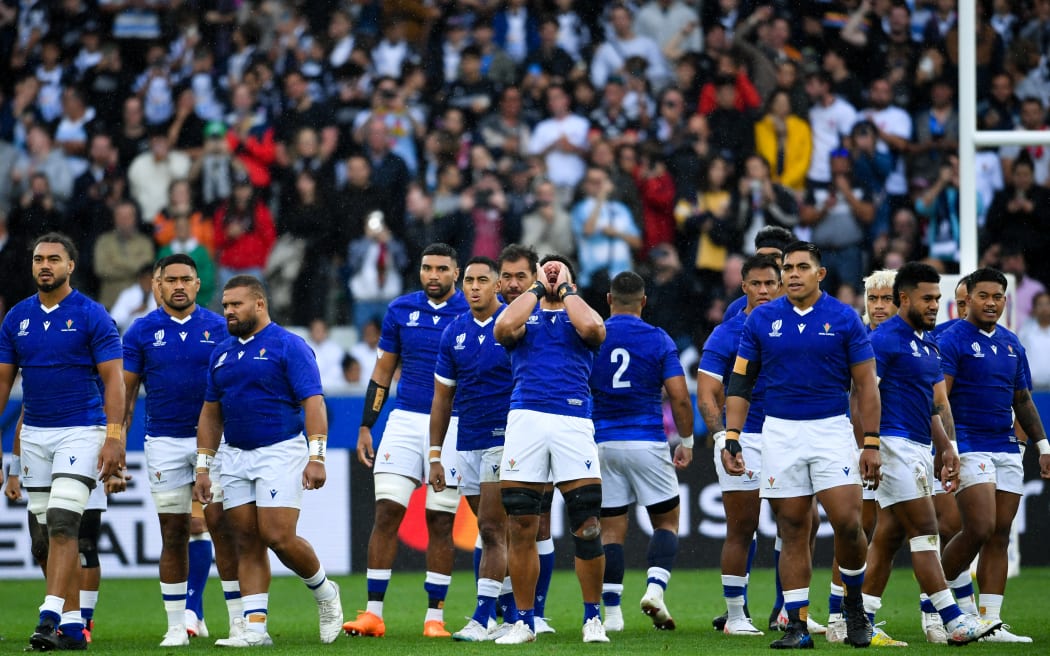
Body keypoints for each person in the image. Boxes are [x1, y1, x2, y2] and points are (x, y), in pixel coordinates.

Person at [723, 241, 880, 649]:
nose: (793, 274)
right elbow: (740, 382)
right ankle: (796, 623)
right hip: (779, 432)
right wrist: (733, 435)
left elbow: (865, 385)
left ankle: (854, 608)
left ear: (820, 274)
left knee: (848, 522)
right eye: (788, 268)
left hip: (830, 429)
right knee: (792, 526)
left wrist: (871, 442)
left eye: (802, 267)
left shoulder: (844, 318)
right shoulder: (761, 320)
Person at [193, 275, 343, 647]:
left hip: (280, 450)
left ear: (259, 304)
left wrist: (317, 456)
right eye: (225, 305)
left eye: (236, 304)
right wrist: (203, 466)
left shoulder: (289, 345)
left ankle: (326, 594)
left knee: (277, 536)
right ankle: (256, 630)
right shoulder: (222, 353)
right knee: (246, 539)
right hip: (235, 454)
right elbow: (211, 414)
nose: (228, 311)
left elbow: (314, 403)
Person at [860, 262, 1003, 646]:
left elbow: (932, 404)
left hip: (920, 445)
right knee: (925, 531)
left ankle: (861, 621)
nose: (935, 305)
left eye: (937, 299)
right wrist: (869, 444)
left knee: (889, 535)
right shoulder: (884, 340)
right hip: (892, 443)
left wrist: (946, 448)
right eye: (927, 298)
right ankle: (954, 619)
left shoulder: (928, 343)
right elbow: (864, 396)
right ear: (903, 298)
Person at [0, 232, 125, 651]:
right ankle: (72, 626)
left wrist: (113, 436)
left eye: (54, 258)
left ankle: (49, 615)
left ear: (71, 265)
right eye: (38, 259)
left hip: (81, 430)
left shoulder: (92, 315)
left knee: (63, 521)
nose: (45, 265)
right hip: (34, 433)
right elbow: (4, 382)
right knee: (41, 540)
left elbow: (114, 380)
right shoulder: (16, 318)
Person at [344, 243, 468, 639]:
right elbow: (383, 373)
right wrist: (366, 425)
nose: (433, 275)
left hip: (452, 423)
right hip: (404, 420)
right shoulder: (401, 310)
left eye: (441, 269)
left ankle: (435, 618)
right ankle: (373, 614)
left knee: (440, 520)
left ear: (456, 273)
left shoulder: (472, 310)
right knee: (386, 513)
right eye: (427, 268)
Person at [122, 253, 242, 645]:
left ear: (196, 284)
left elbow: (237, 385)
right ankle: (178, 625)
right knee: (173, 532)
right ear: (158, 284)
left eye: (185, 279)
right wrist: (116, 441)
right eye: (169, 279)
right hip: (164, 441)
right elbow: (125, 393)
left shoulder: (220, 327)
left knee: (221, 528)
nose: (177, 286)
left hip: (215, 441)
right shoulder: (140, 331)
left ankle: (239, 621)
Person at [492, 253, 607, 644]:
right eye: (548, 269)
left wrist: (567, 289)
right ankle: (524, 621)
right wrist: (537, 287)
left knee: (588, 524)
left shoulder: (582, 315)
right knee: (521, 524)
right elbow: (503, 327)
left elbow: (594, 328)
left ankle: (593, 618)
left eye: (561, 270)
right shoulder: (524, 317)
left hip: (573, 420)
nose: (554, 275)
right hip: (525, 421)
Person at [937, 268, 1050, 643]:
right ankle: (938, 591)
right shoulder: (952, 339)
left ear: (1006, 300)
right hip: (968, 444)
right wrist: (948, 447)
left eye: (997, 296)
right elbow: (940, 400)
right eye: (983, 296)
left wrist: (1042, 445)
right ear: (966, 299)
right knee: (981, 527)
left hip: (1006, 447)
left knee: (1000, 534)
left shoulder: (1012, 343)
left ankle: (990, 622)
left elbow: (1022, 400)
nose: (990, 303)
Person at [591, 271, 694, 633]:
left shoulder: (594, 334)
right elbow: (679, 395)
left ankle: (613, 615)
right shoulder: (658, 339)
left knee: (611, 532)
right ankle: (654, 590)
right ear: (644, 302)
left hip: (602, 441)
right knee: (666, 521)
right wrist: (687, 440)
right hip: (647, 440)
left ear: (608, 299)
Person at [427, 256, 513, 641]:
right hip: (468, 441)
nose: (474, 287)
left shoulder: (514, 323)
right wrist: (434, 454)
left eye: (483, 280)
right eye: (469, 281)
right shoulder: (454, 332)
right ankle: (513, 616)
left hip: (506, 438)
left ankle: (482, 617)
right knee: (492, 530)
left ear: (497, 285)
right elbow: (442, 399)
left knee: (493, 529)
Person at [698, 253, 781, 637]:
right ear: (744, 286)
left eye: (770, 283)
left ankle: (790, 612)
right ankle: (735, 616)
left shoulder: (793, 330)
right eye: (756, 284)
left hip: (787, 436)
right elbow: (707, 392)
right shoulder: (727, 332)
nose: (763, 290)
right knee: (742, 527)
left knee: (801, 524)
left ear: (780, 286)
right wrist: (722, 439)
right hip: (743, 438)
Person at [497, 245, 558, 634]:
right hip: (491, 430)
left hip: (535, 426)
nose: (515, 283)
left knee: (540, 524)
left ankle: (533, 614)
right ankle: (496, 612)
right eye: (509, 276)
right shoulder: (487, 316)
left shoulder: (549, 314)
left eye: (523, 275)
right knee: (495, 526)